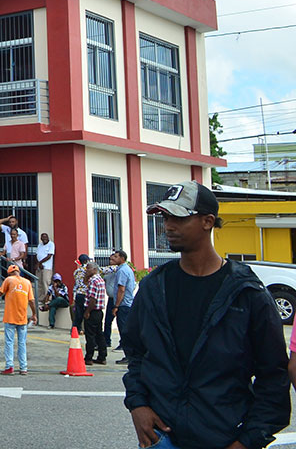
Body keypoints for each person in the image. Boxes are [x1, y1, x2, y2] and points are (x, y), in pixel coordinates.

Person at [124, 180, 289, 449]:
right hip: (162, 437)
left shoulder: (247, 293)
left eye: (178, 217)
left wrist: (247, 441)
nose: (168, 226)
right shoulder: (155, 287)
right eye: (165, 217)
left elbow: (273, 376)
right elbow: (136, 354)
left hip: (225, 437)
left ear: (207, 221)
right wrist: (138, 404)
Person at [0, 264, 35, 375]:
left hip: (10, 317)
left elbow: (0, 292)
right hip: (22, 317)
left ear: (9, 273)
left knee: (9, 342)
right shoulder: (27, 282)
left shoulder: (8, 280)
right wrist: (34, 314)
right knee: (22, 343)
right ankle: (23, 367)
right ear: (19, 272)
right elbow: (32, 301)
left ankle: (9, 366)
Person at [107, 249, 136, 364]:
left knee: (124, 330)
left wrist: (116, 305)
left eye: (116, 256)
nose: (113, 258)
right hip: (126, 304)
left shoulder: (122, 271)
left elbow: (121, 289)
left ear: (122, 258)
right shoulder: (126, 269)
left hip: (123, 305)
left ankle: (129, 355)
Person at [81, 260, 107, 365]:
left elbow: (92, 299)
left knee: (90, 335)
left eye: (88, 268)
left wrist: (87, 311)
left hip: (93, 310)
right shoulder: (100, 279)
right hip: (99, 311)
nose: (86, 270)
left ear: (94, 269)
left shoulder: (93, 281)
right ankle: (102, 356)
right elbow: (85, 282)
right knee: (99, 334)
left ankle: (89, 357)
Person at [71, 254, 90, 335]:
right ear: (86, 261)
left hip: (79, 293)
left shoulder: (76, 271)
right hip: (86, 293)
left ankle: (74, 329)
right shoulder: (88, 270)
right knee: (87, 313)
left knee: (78, 314)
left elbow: (76, 284)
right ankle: (86, 330)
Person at [36, 232, 55, 301]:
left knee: (46, 282)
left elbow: (49, 256)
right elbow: (37, 255)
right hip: (39, 267)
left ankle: (48, 298)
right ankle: (40, 298)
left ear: (48, 238)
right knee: (39, 283)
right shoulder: (40, 245)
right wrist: (38, 264)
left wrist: (40, 263)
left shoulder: (51, 244)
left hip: (47, 267)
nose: (44, 239)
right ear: (41, 238)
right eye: (42, 237)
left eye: (45, 237)